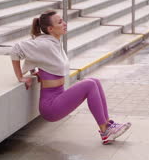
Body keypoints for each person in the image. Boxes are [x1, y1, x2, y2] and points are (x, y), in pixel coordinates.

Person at [10, 10, 131, 144]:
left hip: (58, 97)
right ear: (50, 29)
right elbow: (16, 50)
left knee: (94, 81)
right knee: (89, 84)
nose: (65, 24)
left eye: (63, 21)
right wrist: (20, 77)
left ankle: (108, 125)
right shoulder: (44, 43)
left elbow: (41, 58)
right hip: (51, 107)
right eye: (60, 22)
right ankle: (104, 130)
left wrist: (34, 70)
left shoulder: (53, 42)